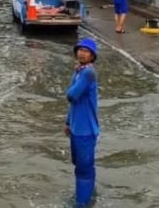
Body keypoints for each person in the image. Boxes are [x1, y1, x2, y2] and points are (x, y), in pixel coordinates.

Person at [64, 38, 99, 207]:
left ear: (92, 56)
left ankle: (81, 203)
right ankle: (87, 195)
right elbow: (73, 102)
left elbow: (71, 95)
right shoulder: (79, 71)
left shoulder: (87, 73)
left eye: (86, 51)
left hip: (86, 130)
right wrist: (68, 122)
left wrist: (71, 87)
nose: (81, 53)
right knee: (80, 166)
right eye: (80, 50)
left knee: (84, 169)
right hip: (77, 128)